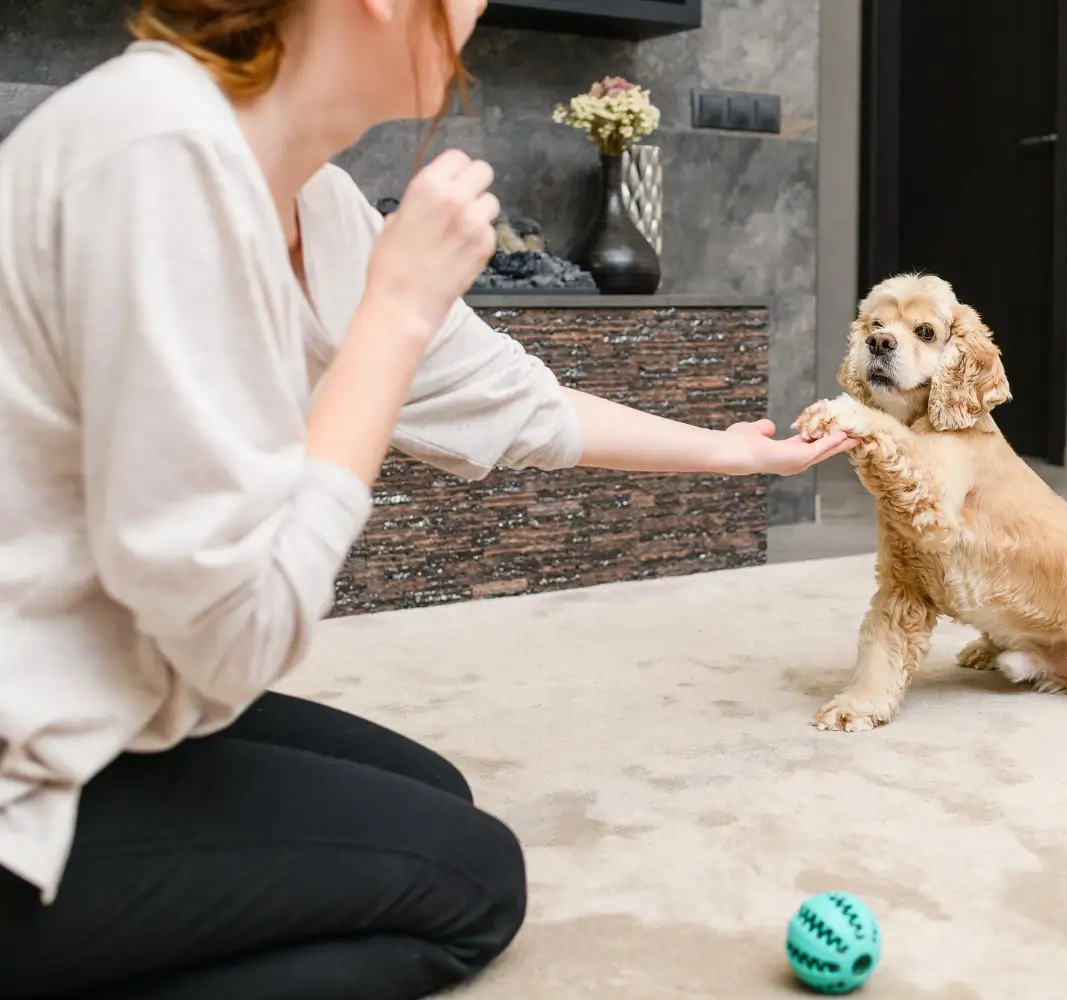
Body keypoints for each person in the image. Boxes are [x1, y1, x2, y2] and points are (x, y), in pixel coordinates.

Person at [0, 0, 856, 996]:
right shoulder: (156, 158)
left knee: (434, 800)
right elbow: (233, 643)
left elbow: (511, 400)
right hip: (22, 777)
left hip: (90, 684)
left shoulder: (307, 199)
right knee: (471, 885)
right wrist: (393, 315)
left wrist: (732, 454)